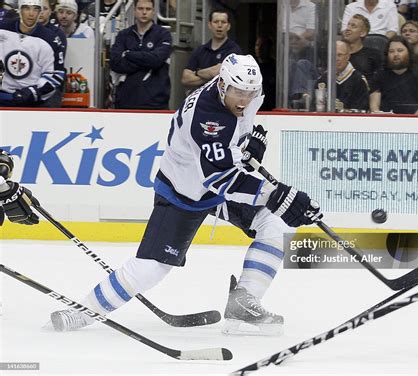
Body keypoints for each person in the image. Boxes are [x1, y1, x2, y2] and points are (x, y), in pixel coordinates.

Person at [45, 53, 321, 336]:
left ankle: (243, 306)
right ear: (223, 85)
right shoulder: (207, 117)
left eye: (250, 93)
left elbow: (229, 147)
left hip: (213, 183)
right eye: (238, 92)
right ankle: (82, 312)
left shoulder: (241, 90)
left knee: (274, 225)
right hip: (184, 192)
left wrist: (244, 148)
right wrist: (278, 196)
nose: (244, 100)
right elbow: (219, 178)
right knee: (151, 268)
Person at [0, 0, 66, 107]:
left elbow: (56, 75)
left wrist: (34, 91)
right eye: (27, 8)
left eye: (36, 9)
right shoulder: (2, 29)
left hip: (34, 101)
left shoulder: (51, 39)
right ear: (19, 10)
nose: (31, 13)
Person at [109, 0, 172, 110]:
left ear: (153, 12)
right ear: (134, 11)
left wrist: (128, 54)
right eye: (140, 9)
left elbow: (156, 60)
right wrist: (147, 59)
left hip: (156, 103)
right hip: (125, 101)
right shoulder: (123, 35)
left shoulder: (163, 34)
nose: (144, 12)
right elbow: (115, 63)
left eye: (148, 9)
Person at [370, 35, 418, 113]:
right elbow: (374, 106)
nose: (395, 54)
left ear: (409, 52)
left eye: (400, 50)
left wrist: (410, 122)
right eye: (391, 51)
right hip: (386, 121)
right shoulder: (379, 75)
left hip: (414, 121)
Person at [181, 9, 242, 91]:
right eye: (216, 22)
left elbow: (218, 71)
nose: (219, 25)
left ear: (228, 26)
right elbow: (185, 79)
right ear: (209, 25)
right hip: (201, 99)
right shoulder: (200, 50)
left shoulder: (234, 50)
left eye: (223, 22)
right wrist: (212, 75)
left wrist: (198, 72)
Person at [316, 40, 369, 111]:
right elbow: (313, 109)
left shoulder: (359, 80)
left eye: (340, 55)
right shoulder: (322, 79)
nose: (336, 59)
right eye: (333, 55)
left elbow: (360, 111)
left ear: (348, 56)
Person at [38, 0, 67, 107]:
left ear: (51, 11)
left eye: (45, 9)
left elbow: (55, 65)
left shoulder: (57, 35)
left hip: (50, 85)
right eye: (38, 8)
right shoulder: (23, 31)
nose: (41, 12)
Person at [342, 14, 384, 85]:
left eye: (353, 26)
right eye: (348, 25)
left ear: (363, 33)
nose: (348, 28)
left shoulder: (374, 55)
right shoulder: (338, 54)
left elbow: (379, 80)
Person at [254, 35, 276, 111]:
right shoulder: (252, 65)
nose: (259, 48)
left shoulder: (276, 68)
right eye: (257, 45)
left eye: (263, 45)